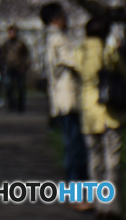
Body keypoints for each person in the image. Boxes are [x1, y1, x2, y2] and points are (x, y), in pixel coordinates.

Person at [40, 1, 90, 208]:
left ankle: (80, 193)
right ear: (55, 19)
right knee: (74, 148)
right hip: (68, 100)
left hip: (66, 100)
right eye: (62, 14)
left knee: (76, 146)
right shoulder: (57, 39)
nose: (66, 18)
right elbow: (77, 61)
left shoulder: (54, 38)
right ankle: (75, 195)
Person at [76, 17, 125, 219]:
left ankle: (97, 202)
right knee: (112, 160)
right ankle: (110, 207)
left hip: (88, 111)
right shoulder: (107, 50)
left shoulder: (80, 52)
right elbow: (122, 70)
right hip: (108, 111)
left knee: (94, 159)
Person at [2, 24, 31, 113]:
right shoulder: (6, 44)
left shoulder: (20, 44)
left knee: (20, 87)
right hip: (9, 68)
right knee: (9, 86)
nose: (11, 34)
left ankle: (21, 106)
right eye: (10, 32)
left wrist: (25, 66)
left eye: (13, 32)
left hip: (19, 68)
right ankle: (11, 105)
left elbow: (27, 55)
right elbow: (2, 55)